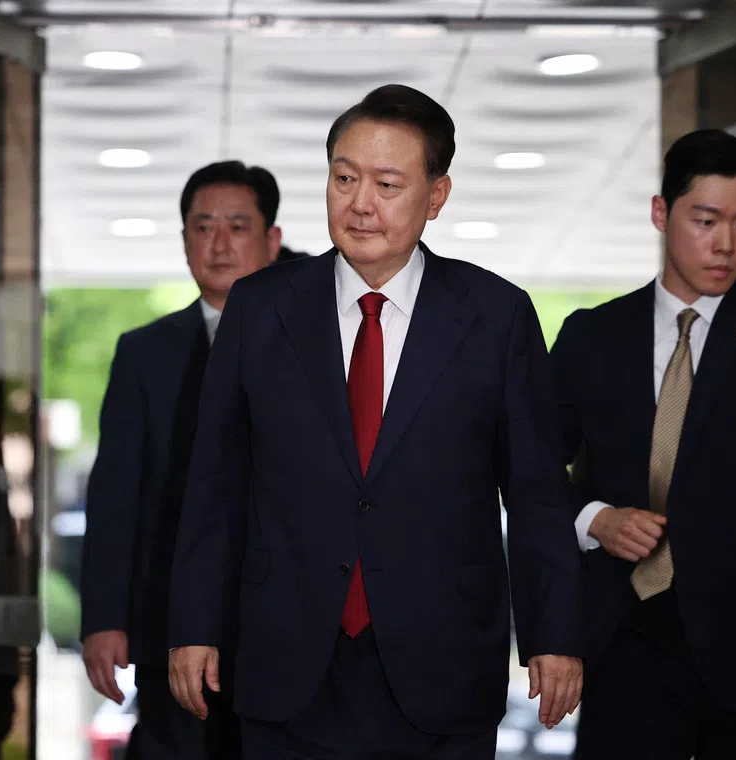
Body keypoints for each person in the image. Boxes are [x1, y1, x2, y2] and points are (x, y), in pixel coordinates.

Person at [167, 83, 582, 759]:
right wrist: (193, 624)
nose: (360, 203)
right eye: (344, 178)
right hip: (289, 660)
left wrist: (555, 634)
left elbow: (535, 492)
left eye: (387, 183)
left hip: (442, 660)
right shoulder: (259, 308)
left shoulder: (495, 315)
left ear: (436, 196)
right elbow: (216, 482)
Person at [550, 129, 736, 759]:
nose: (725, 245)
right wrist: (594, 518)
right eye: (705, 220)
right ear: (661, 213)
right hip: (625, 636)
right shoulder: (591, 336)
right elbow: (532, 469)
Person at [80, 160, 284, 759]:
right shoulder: (145, 353)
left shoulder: (318, 343)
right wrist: (104, 617)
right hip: (168, 616)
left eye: (238, 226)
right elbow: (116, 493)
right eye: (202, 227)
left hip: (285, 619)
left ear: (271, 240)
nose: (219, 244)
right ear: (184, 241)